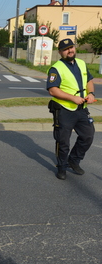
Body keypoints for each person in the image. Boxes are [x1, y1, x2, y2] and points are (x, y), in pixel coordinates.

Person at [47, 38, 95, 180]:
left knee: (88, 136)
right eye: (66, 49)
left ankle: (73, 160)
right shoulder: (56, 68)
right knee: (63, 142)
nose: (70, 50)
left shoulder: (81, 63)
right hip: (64, 109)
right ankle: (61, 167)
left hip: (81, 109)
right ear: (60, 52)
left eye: (71, 47)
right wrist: (72, 98)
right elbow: (52, 90)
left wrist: (91, 93)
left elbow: (89, 80)